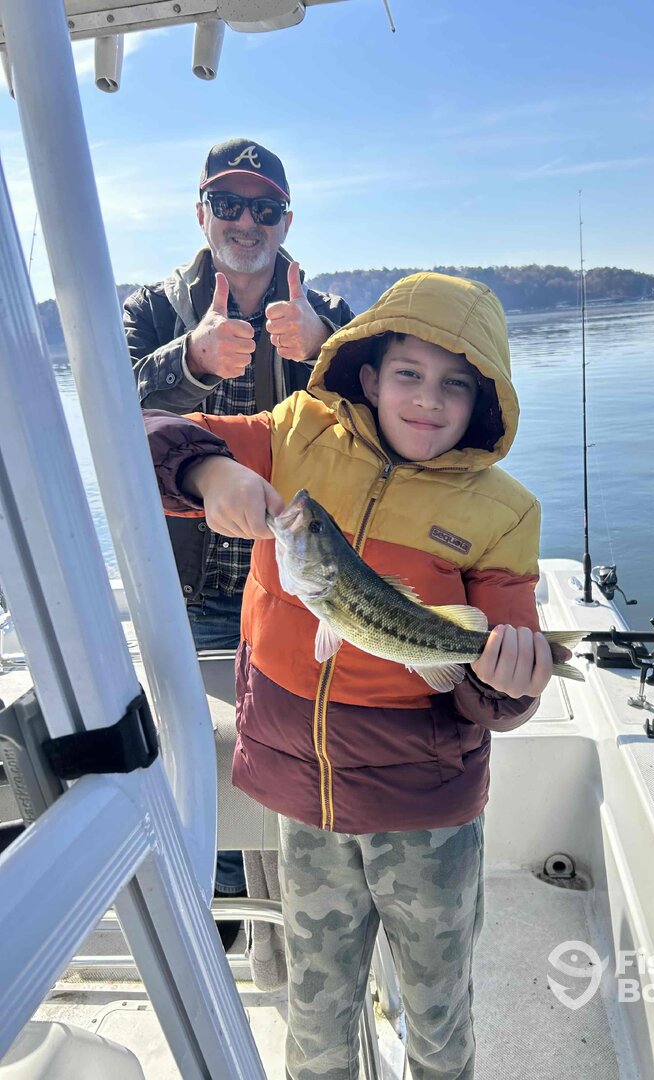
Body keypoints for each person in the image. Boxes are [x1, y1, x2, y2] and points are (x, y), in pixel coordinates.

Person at [145, 272, 569, 1079]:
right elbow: (142, 435)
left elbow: (490, 698)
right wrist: (209, 474)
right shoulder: (296, 432)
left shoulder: (504, 510)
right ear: (368, 377)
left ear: (483, 402)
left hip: (426, 807)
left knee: (438, 1009)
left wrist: (508, 683)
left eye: (455, 385)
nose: (427, 400)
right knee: (315, 1008)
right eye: (408, 373)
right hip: (306, 796)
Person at [124, 137, 354, 945]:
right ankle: (219, 917)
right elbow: (107, 408)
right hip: (185, 588)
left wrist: (324, 351)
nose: (246, 221)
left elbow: (382, 427)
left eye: (264, 207)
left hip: (299, 585)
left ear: (287, 220)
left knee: (296, 751)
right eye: (228, 203)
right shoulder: (152, 311)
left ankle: (297, 919)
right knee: (196, 758)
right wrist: (187, 360)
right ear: (201, 213)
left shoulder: (331, 315)